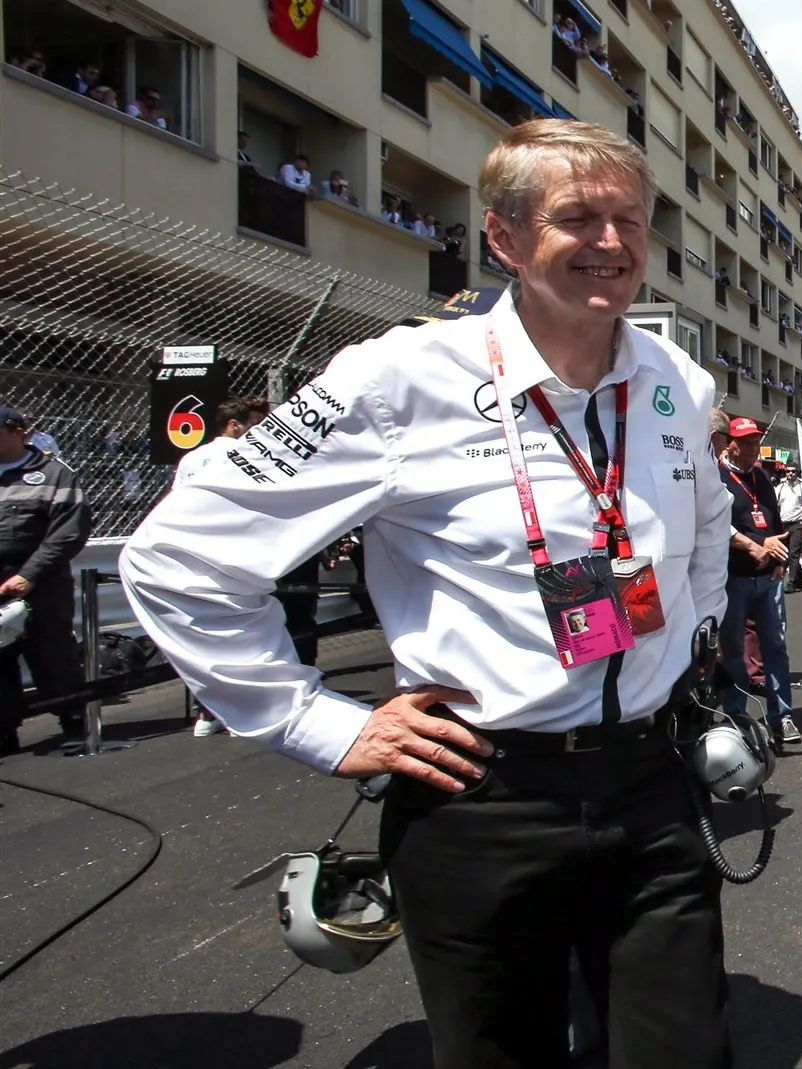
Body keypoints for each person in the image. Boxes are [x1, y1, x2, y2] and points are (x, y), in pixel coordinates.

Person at [119, 119, 737, 1069]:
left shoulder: (678, 383)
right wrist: (316, 723)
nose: (611, 244)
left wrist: (688, 643)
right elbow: (180, 558)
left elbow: (702, 533)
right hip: (479, 796)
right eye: (578, 218)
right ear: (503, 239)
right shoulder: (400, 380)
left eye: (628, 218)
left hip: (650, 789)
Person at [168, 394, 271, 737]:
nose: (259, 431)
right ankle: (243, 710)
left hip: (195, 551)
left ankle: (207, 711)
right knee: (243, 630)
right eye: (253, 425)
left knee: (204, 630)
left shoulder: (191, 459)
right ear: (234, 425)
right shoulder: (244, 453)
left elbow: (176, 503)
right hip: (238, 551)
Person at [0, 405, 91, 754]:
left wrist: (29, 575)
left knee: (52, 654)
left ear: (16, 431)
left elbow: (69, 531)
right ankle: (5, 731)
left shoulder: (54, 474)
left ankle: (72, 720)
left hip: (41, 585)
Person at [719, 416, 796, 744]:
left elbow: (777, 523)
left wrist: (782, 560)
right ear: (731, 444)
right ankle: (737, 717)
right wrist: (756, 545)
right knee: (734, 648)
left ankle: (783, 717)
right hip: (734, 577)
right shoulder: (718, 477)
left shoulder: (762, 477)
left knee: (775, 645)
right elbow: (718, 524)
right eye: (747, 443)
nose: (753, 448)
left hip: (768, 578)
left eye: (756, 442)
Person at [776, 457, 802, 590]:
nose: (790, 474)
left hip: (797, 524)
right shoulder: (780, 487)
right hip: (784, 524)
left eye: (793, 471)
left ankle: (791, 582)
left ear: (797, 472)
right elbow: (775, 506)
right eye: (788, 471)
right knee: (784, 553)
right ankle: (801, 577)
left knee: (794, 553)